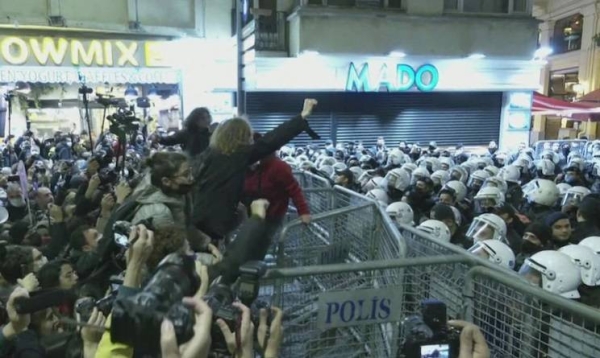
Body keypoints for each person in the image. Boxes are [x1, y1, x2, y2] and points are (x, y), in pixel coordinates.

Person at [192, 98, 318, 242]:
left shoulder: (209, 155)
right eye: (249, 136)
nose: (252, 141)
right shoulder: (235, 157)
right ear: (241, 137)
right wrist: (302, 116)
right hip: (211, 226)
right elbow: (271, 141)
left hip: (197, 221)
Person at [243, 132, 311, 242]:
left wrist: (304, 212)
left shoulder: (279, 167)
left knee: (259, 244)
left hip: (272, 215)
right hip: (251, 214)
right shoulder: (248, 166)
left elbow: (294, 190)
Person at [131, 151, 193, 229]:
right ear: (166, 181)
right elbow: (172, 240)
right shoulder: (159, 213)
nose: (191, 178)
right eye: (186, 174)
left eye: (190, 171)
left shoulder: (179, 193)